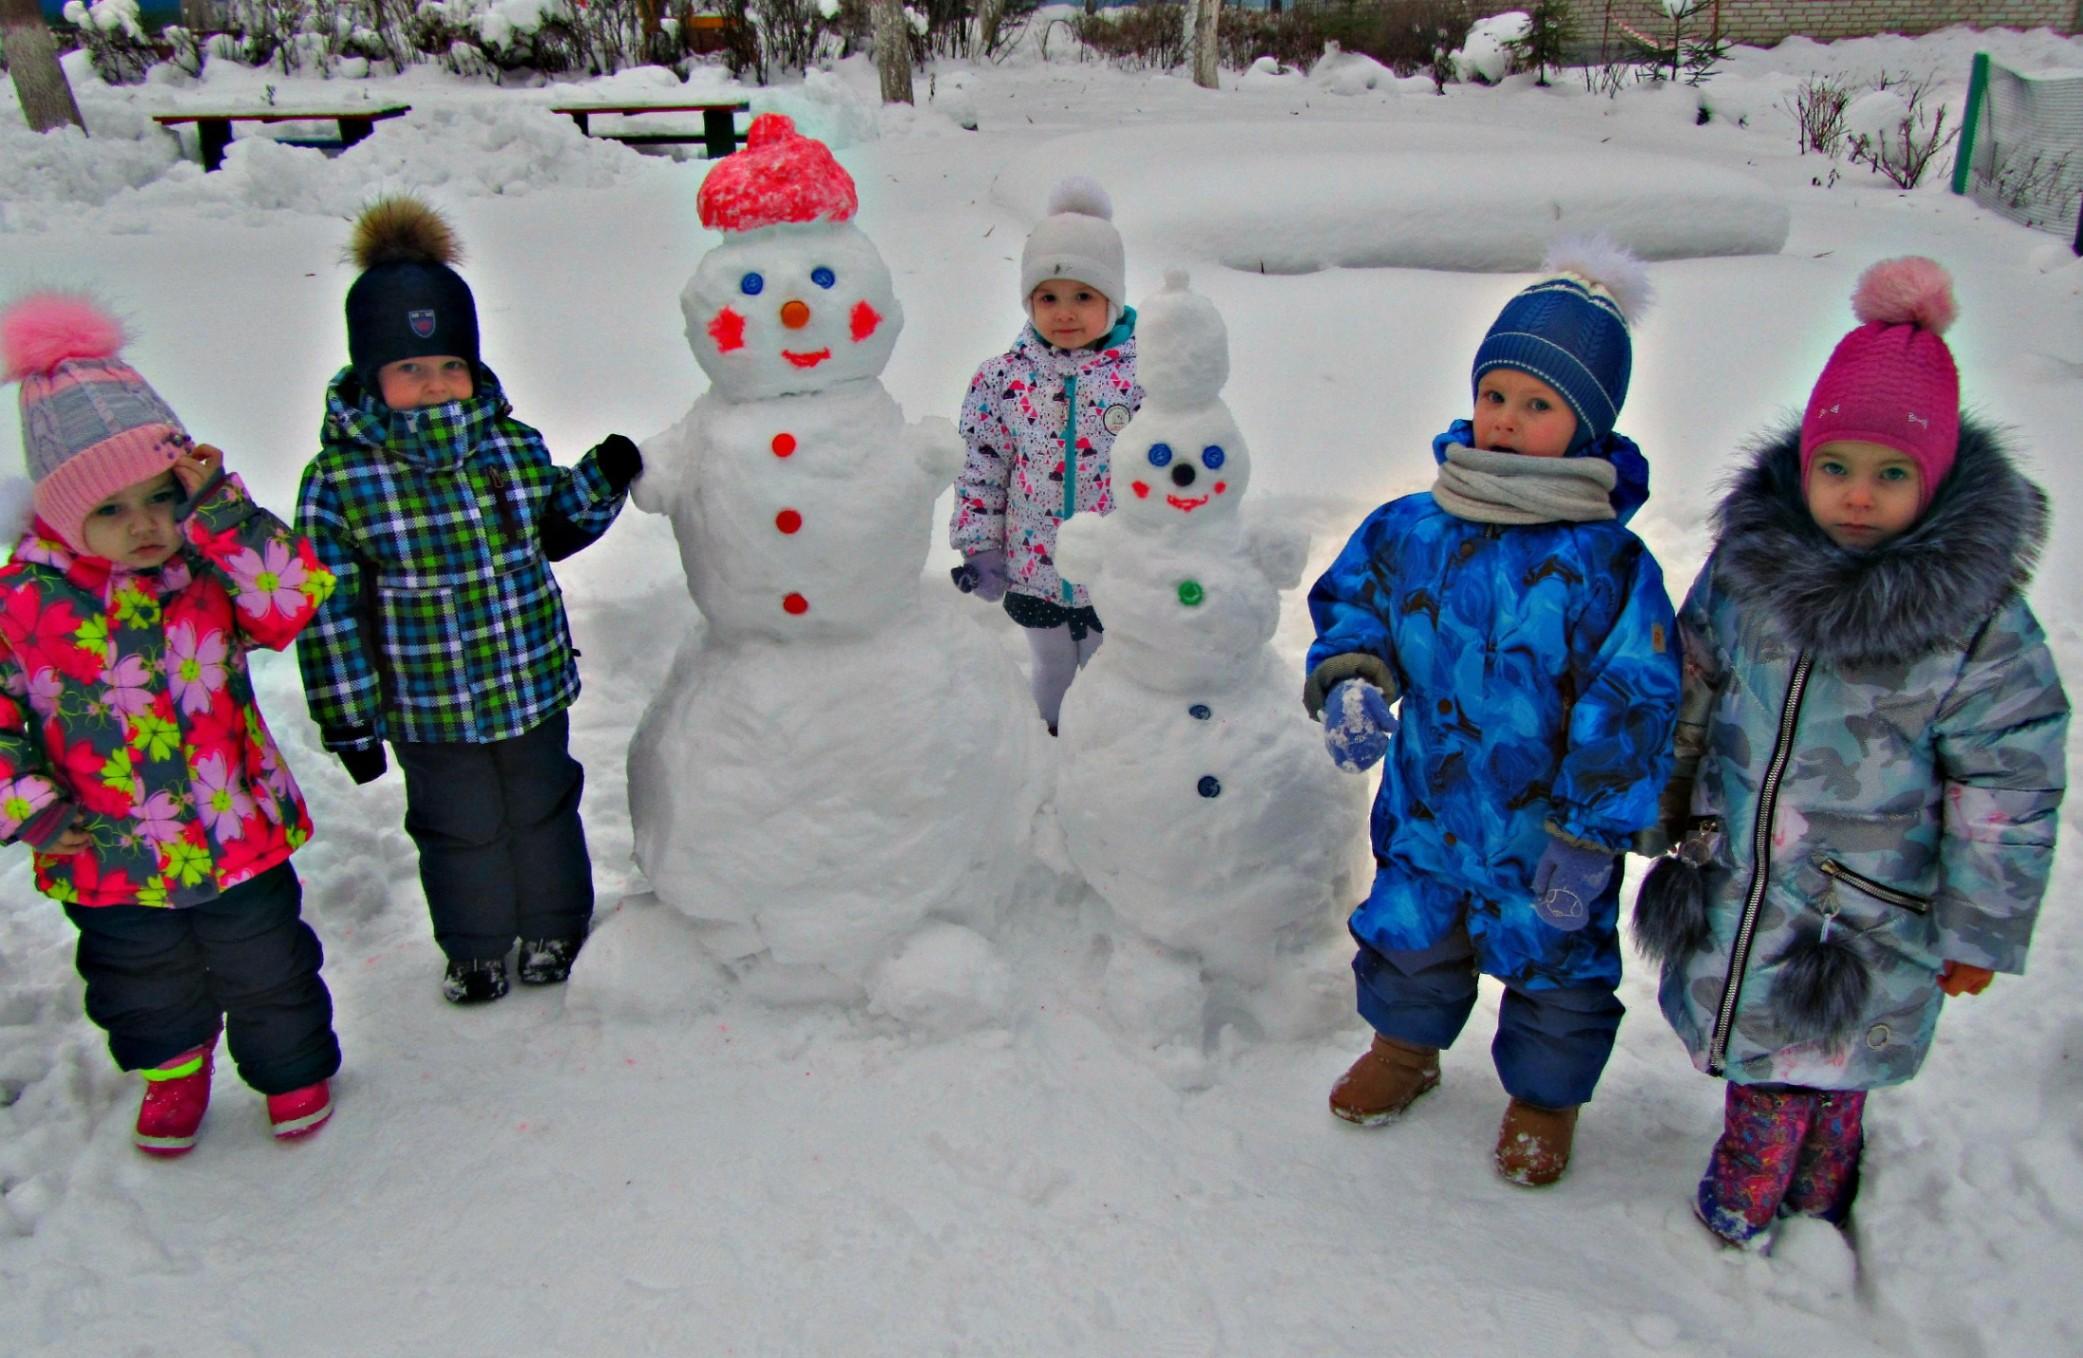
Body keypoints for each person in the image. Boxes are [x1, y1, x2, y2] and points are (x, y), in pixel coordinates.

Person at [1632, 256, 2068, 1249]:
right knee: (1772, 1063)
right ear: (1803, 465)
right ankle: (1788, 1183)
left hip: (1869, 902)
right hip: (1742, 867)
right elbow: (1691, 683)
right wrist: (1660, 800)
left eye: (1890, 473)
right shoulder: (1751, 574)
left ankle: (1776, 1200)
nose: (1858, 495)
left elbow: (2011, 773)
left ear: (1937, 477)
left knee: (1826, 1060)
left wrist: (1980, 923)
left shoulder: (1973, 619)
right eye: (1836, 467)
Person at [1303, 240, 1679, 1186]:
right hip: (1429, 807)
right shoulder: (1413, 526)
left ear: (1587, 426)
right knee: (1409, 934)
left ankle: (1545, 1100)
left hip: (1546, 829)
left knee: (1558, 973)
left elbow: (1634, 694)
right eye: (1495, 395)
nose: (1506, 420)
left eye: (1538, 405)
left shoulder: (1609, 567)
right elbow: (1357, 603)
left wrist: (1590, 833)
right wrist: (1353, 677)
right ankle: (1404, 1051)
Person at [0, 294, 341, 1154]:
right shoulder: (23, 603)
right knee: (138, 980)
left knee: (269, 962)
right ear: (58, 513)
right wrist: (34, 808)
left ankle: (290, 1065)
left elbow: (290, 601)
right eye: (109, 510)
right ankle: (172, 1071)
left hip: (236, 829)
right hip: (104, 848)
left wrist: (220, 510)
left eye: (159, 497)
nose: (146, 525)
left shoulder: (204, 565)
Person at [295, 196, 640, 1005]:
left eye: (448, 364)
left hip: (529, 686)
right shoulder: (340, 481)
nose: (434, 384)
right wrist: (347, 716)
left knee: (544, 810)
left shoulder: (507, 446)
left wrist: (602, 476)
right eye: (409, 369)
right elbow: (328, 607)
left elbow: (553, 525)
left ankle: (555, 926)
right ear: (370, 377)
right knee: (457, 830)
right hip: (429, 707)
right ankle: (477, 947)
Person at [948, 176, 1142, 733]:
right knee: (1053, 666)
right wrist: (982, 546)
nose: (1064, 312)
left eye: (1084, 296)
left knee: (1110, 670)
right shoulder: (1002, 380)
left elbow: (1173, 471)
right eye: (1048, 297)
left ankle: (1107, 749)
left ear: (1113, 299)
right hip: (1035, 567)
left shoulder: (1145, 377)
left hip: (1116, 572)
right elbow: (980, 470)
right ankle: (1050, 742)